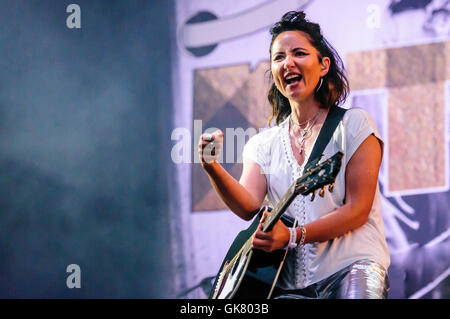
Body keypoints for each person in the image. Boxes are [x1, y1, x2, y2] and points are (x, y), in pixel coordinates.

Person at [198, 11, 390, 299]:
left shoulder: (354, 124)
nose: (288, 63)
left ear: (323, 65)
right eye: (278, 57)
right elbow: (248, 205)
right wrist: (211, 166)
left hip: (352, 266)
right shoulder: (263, 144)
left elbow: (358, 210)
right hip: (286, 285)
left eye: (299, 53)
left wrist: (291, 236)